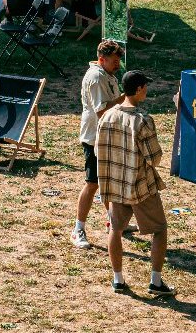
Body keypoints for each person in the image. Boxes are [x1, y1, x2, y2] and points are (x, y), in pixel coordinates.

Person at [96, 70, 173, 297]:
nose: (147, 90)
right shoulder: (142, 120)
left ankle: (118, 279)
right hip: (140, 186)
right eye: (145, 86)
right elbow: (155, 158)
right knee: (159, 230)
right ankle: (155, 281)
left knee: (115, 229)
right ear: (139, 89)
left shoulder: (107, 116)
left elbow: (98, 149)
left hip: (115, 185)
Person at [74, 40, 124, 248]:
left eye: (119, 61)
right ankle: (78, 229)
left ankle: (113, 221)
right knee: (93, 183)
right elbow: (101, 110)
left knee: (110, 182)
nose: (118, 65)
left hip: (108, 136)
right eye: (114, 61)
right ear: (102, 59)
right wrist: (125, 98)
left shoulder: (107, 74)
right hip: (94, 137)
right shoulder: (96, 78)